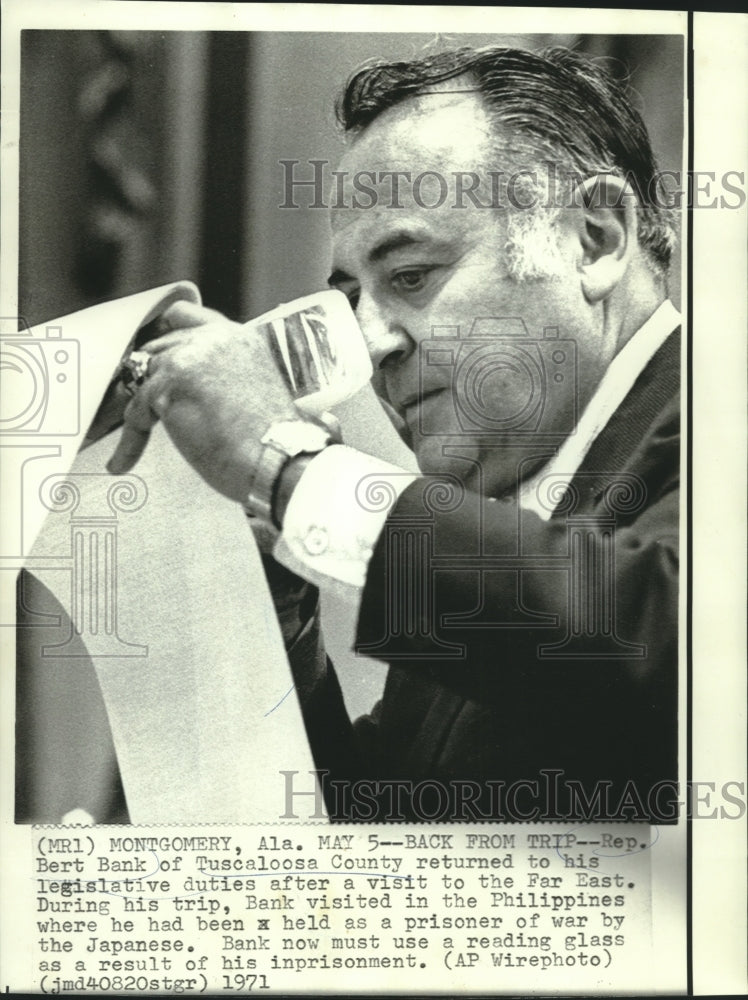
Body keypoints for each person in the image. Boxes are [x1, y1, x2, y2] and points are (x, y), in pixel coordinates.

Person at [107, 46, 680, 822]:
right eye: (350, 299)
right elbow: (387, 837)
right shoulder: (487, 525)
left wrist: (285, 466)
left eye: (410, 274)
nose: (372, 345)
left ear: (595, 238)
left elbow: (666, 648)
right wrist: (271, 606)